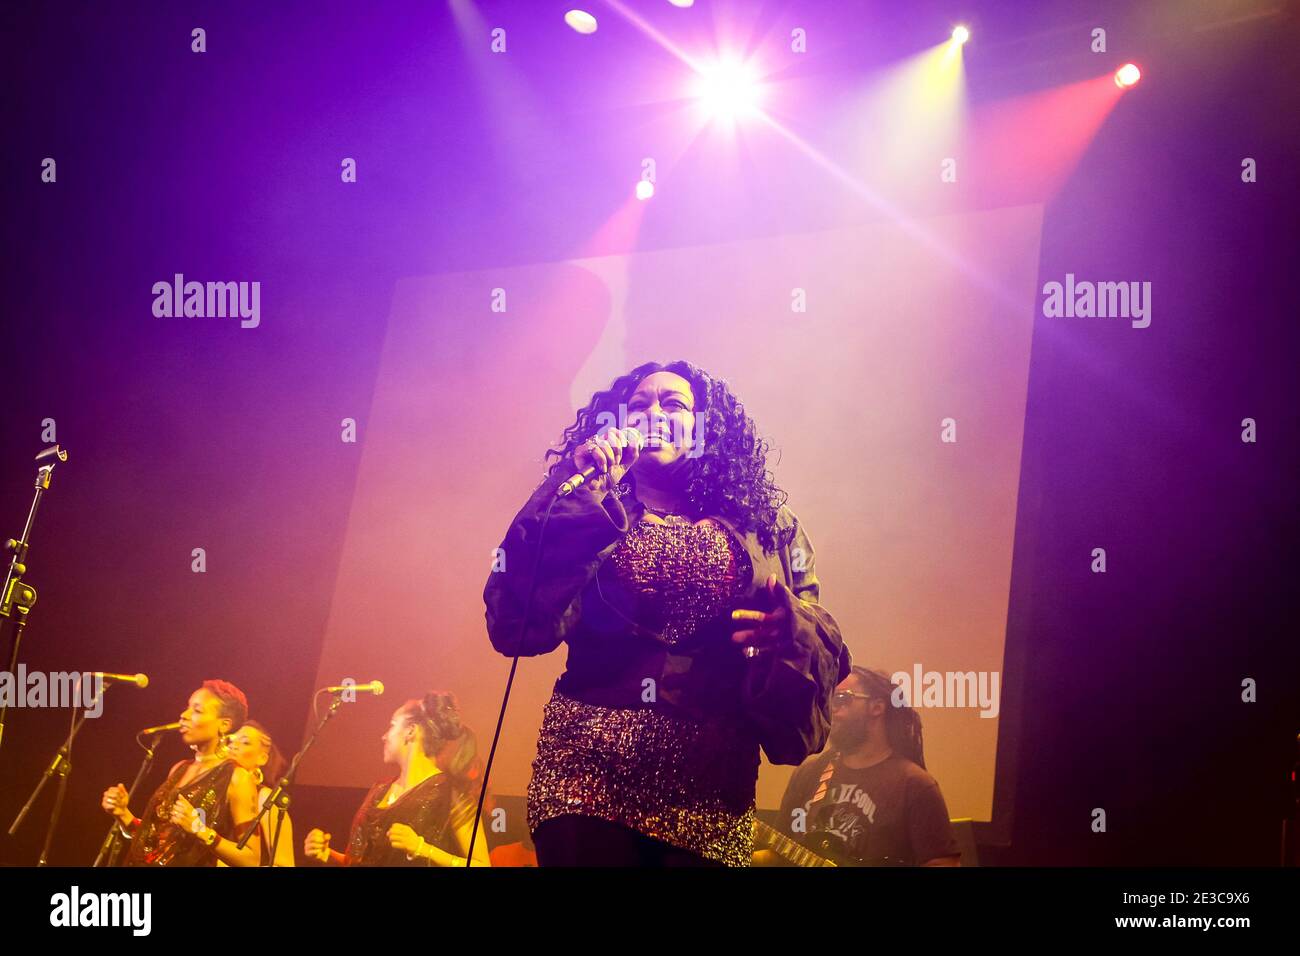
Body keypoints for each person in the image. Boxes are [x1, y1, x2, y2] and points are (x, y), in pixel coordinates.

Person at [484, 360, 851, 867]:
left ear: (706, 428)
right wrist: (577, 482)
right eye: (638, 405)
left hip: (710, 789)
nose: (652, 413)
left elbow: (820, 632)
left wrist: (786, 631)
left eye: (673, 404)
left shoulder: (767, 525)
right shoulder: (589, 496)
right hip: (586, 774)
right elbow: (517, 621)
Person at [755, 666, 961, 867]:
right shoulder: (809, 773)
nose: (831, 708)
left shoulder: (915, 785)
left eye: (842, 698)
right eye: (829, 699)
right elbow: (778, 855)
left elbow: (942, 863)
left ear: (877, 707)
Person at [302, 692, 490, 866]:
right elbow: (358, 862)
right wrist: (326, 854)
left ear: (411, 731)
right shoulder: (380, 790)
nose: (384, 736)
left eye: (392, 725)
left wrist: (423, 849)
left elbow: (481, 864)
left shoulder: (452, 794)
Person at [101, 680, 262, 867]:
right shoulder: (179, 769)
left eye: (197, 710)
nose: (184, 715)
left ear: (224, 725)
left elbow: (252, 860)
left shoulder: (237, 777)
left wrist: (201, 831)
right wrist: (123, 815)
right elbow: (157, 844)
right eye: (187, 708)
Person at [221, 720, 295, 867]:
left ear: (262, 758)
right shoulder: (216, 793)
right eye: (231, 740)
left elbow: (284, 865)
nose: (233, 746)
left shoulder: (265, 798)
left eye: (245, 743)